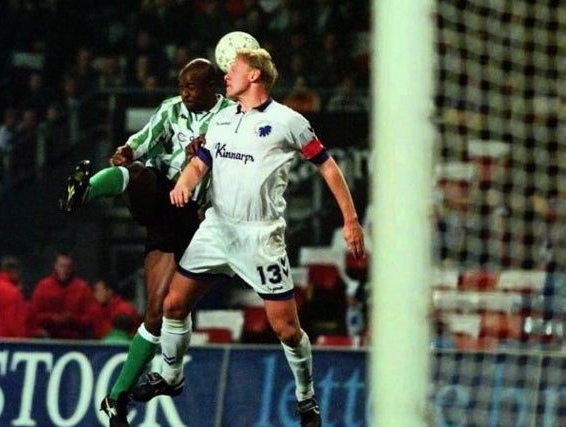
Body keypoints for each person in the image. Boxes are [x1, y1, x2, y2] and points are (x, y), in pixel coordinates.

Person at [130, 48, 366, 427]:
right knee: (173, 305)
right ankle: (170, 375)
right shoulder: (222, 122)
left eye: (234, 70)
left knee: (287, 330)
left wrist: (351, 220)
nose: (226, 76)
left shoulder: (288, 121)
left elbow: (329, 168)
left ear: (254, 75)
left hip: (260, 238)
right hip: (217, 229)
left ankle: (306, 398)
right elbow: (199, 162)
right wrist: (184, 185)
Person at [61, 58, 234, 427]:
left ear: (211, 87)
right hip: (161, 194)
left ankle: (116, 397)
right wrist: (126, 152)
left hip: (191, 214)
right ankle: (84, 192)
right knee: (136, 172)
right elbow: (140, 143)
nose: (184, 92)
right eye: (181, 85)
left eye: (191, 86)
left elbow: (239, 167)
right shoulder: (172, 109)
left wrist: (206, 161)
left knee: (156, 313)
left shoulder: (232, 117)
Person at [26, 251, 96, 339]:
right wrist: (51, 318)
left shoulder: (83, 288)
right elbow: (33, 315)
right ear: (55, 266)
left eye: (68, 267)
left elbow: (90, 318)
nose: (65, 270)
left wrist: (72, 319)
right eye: (62, 266)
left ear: (73, 268)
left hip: (76, 340)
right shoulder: (43, 286)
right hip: (48, 338)